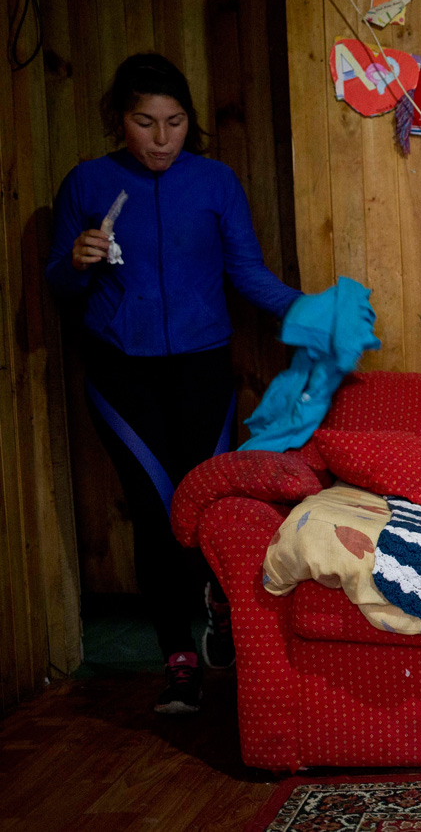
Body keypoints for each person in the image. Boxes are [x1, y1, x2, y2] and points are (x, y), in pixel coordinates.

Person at [46, 53, 303, 714]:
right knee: (157, 512)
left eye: (175, 122)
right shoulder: (87, 181)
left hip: (201, 368)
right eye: (144, 122)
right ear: (119, 122)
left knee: (211, 507)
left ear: (190, 122)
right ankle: (178, 660)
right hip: (119, 374)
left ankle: (224, 615)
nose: (161, 139)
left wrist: (310, 312)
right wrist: (76, 261)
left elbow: (247, 274)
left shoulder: (215, 183)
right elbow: (58, 284)